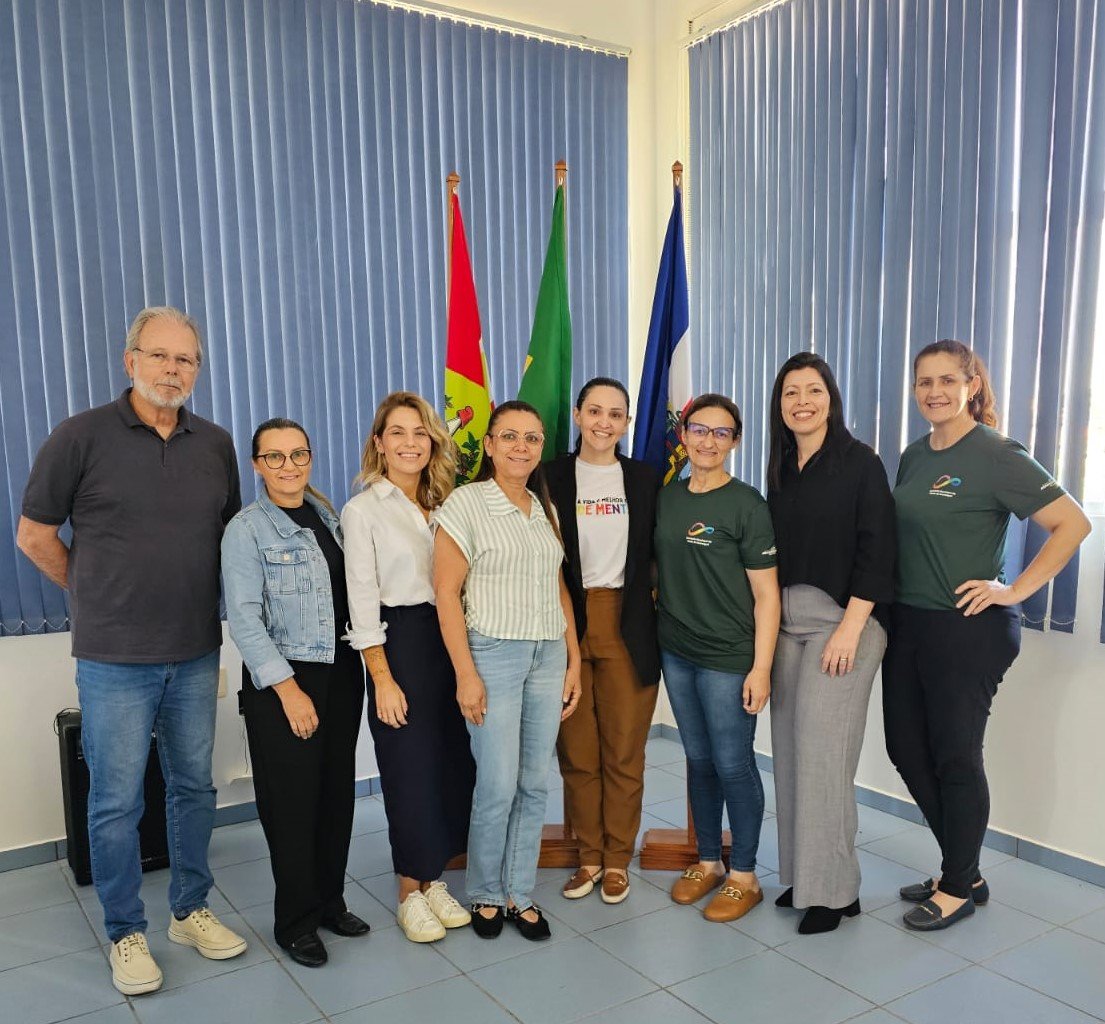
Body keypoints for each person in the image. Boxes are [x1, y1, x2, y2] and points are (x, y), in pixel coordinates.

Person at [17, 307, 247, 995]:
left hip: (195, 650)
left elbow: (228, 539)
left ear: (197, 369)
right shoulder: (79, 436)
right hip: (113, 658)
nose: (172, 370)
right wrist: (92, 591)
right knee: (116, 802)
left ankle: (189, 909)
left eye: (186, 359)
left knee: (193, 788)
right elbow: (34, 535)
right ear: (131, 361)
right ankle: (125, 932)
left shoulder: (216, 444)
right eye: (160, 356)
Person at [884, 339, 1090, 932]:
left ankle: (956, 886)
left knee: (955, 755)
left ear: (971, 385)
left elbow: (1073, 523)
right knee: (906, 749)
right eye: (925, 382)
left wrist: (1015, 590)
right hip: (910, 623)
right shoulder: (914, 456)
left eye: (948, 380)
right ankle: (965, 868)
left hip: (968, 628)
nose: (935, 392)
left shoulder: (997, 453)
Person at [222, 418, 370, 967]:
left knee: (334, 794)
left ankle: (330, 902)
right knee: (292, 805)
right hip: (285, 682)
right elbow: (245, 620)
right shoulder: (246, 530)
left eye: (298, 454)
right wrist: (289, 690)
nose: (289, 466)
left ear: (310, 457)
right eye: (275, 457)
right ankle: (295, 922)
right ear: (257, 465)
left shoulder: (327, 516)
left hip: (340, 672)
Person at [434, 401, 582, 941]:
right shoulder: (466, 503)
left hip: (548, 653)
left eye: (532, 438)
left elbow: (558, 587)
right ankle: (485, 893)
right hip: (494, 654)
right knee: (497, 784)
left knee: (534, 783)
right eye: (510, 436)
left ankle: (520, 893)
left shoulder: (543, 506)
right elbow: (446, 594)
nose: (522, 446)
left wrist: (573, 658)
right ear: (490, 445)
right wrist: (465, 674)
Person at [765, 352, 896, 934]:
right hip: (787, 624)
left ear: (831, 398)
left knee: (825, 758)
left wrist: (851, 627)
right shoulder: (782, 466)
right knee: (790, 755)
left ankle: (835, 893)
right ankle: (806, 878)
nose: (802, 401)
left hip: (844, 623)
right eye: (791, 392)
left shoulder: (860, 462)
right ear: (780, 405)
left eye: (813, 390)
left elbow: (879, 548)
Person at [342, 392, 475, 944]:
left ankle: (433, 877)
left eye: (420, 432)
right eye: (397, 432)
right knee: (408, 768)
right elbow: (361, 600)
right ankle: (408, 891)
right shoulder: (363, 510)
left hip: (451, 639)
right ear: (379, 442)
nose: (410, 443)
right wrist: (382, 678)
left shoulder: (449, 503)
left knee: (449, 764)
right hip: (400, 644)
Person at [654, 393, 780, 924]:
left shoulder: (747, 505)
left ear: (735, 441)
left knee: (733, 763)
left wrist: (761, 668)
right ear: (683, 435)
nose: (708, 440)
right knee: (699, 760)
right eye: (699, 429)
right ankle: (708, 860)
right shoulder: (667, 498)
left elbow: (767, 596)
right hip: (677, 652)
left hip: (729, 657)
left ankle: (744, 875)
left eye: (721, 432)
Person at [544, 377, 660, 905]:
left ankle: (617, 861)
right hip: (565, 623)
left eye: (616, 414)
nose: (604, 422)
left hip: (627, 625)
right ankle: (588, 857)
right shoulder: (548, 477)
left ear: (627, 423)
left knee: (624, 753)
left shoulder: (646, 480)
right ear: (577, 415)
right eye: (595, 411)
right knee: (578, 754)